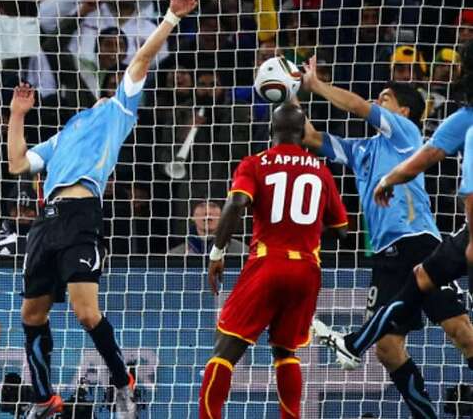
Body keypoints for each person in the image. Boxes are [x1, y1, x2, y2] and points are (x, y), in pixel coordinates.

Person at [6, 0, 198, 418]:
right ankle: (44, 398)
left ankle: (123, 380)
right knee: (31, 315)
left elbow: (142, 60)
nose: (115, 82)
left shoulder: (119, 111)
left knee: (86, 314)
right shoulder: (70, 128)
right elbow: (18, 162)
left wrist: (169, 17)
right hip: (47, 219)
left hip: (81, 215)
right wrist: (18, 114)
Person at [299, 55, 473, 418]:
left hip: (419, 241)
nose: (378, 102)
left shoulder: (406, 134)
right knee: (388, 349)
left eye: (386, 98)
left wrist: (317, 85)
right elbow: (310, 136)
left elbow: (360, 107)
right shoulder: (362, 150)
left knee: (460, 331)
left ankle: (352, 343)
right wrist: (287, 93)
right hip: (384, 253)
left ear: (404, 112)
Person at [200, 104, 348, 419]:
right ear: (302, 134)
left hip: (268, 264)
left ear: (271, 132)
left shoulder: (256, 163)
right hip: (307, 268)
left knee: (225, 349)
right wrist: (307, 235)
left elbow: (236, 203)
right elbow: (342, 228)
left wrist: (217, 252)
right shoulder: (320, 169)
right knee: (286, 351)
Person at [169, 201, 246, 255]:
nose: (207, 212)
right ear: (191, 215)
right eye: (201, 206)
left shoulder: (243, 251)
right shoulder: (175, 255)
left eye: (213, 206)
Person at [0, 181, 38, 255]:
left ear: (35, 212)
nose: (21, 214)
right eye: (16, 210)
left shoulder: (46, 239)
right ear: (9, 212)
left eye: (26, 209)